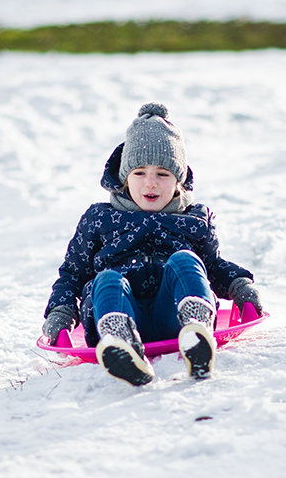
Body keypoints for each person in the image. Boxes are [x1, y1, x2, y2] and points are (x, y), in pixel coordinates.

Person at [42, 102, 262, 386]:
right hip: (115, 308)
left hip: (172, 312)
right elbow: (73, 274)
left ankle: (196, 329)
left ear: (178, 181)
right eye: (139, 173)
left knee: (186, 260)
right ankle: (120, 344)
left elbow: (212, 266)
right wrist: (61, 311)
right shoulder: (99, 218)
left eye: (162, 174)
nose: (150, 184)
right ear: (123, 178)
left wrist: (239, 286)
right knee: (106, 278)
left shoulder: (194, 219)